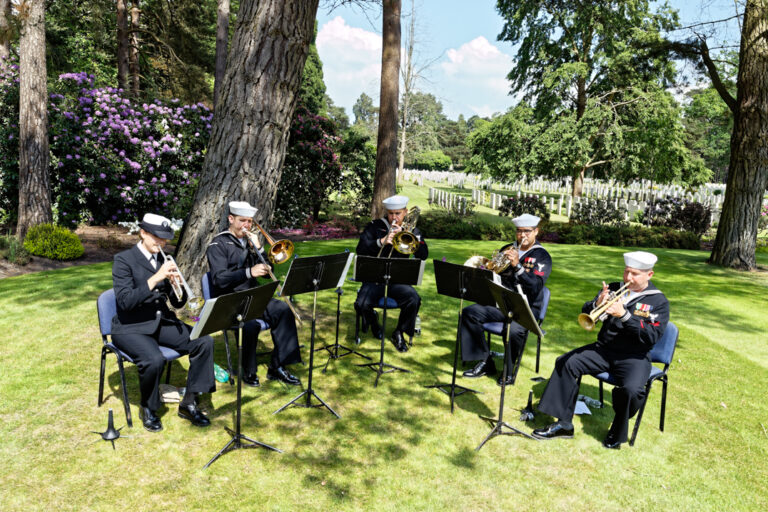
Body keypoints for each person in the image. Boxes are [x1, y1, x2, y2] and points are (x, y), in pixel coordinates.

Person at [532, 251, 670, 449]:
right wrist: (596, 304)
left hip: (634, 357)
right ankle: (563, 423)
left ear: (649, 275)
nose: (628, 278)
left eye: (635, 274)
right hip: (604, 349)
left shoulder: (658, 302)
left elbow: (651, 336)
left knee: (632, 390)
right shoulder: (615, 288)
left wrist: (625, 316)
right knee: (567, 362)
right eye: (626, 272)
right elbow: (587, 311)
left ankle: (617, 429)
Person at [111, 213, 215, 432]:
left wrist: (177, 284)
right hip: (130, 326)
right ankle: (148, 408)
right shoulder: (123, 260)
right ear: (143, 233)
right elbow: (125, 301)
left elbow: (177, 302)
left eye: (165, 239)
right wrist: (156, 278)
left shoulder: (164, 259)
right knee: (154, 359)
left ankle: (189, 402)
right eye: (157, 238)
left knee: (203, 340)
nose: (162, 243)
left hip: (160, 320)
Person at [206, 201, 302, 387]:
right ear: (231, 219)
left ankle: (278, 366)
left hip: (254, 296)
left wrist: (259, 249)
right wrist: (249, 272)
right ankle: (249, 371)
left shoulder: (251, 243)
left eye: (250, 221)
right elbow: (219, 279)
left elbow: (269, 271)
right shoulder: (218, 244)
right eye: (242, 221)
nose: (247, 226)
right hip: (230, 300)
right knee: (249, 325)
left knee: (283, 309)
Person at [460, 213, 552, 386]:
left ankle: (509, 372)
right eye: (519, 231)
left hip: (527, 307)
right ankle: (484, 361)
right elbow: (494, 272)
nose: (522, 235)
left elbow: (535, 287)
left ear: (536, 232)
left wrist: (517, 266)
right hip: (503, 303)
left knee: (515, 330)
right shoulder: (508, 248)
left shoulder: (542, 257)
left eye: (527, 231)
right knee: (470, 313)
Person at [355, 194, 428, 352]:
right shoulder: (374, 226)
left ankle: (399, 332)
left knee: (413, 299)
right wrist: (381, 241)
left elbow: (423, 255)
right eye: (390, 213)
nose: (393, 217)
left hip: (398, 280)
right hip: (374, 280)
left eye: (398, 213)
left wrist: (412, 237)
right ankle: (374, 322)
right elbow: (360, 249)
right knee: (361, 303)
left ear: (406, 212)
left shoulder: (413, 230)